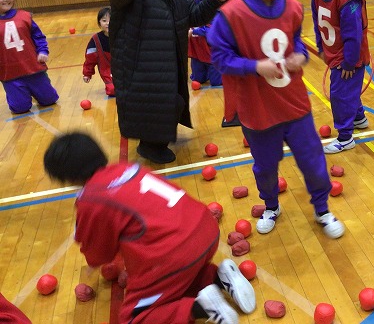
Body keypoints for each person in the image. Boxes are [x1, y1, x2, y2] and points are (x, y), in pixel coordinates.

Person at [208, 0, 345, 239]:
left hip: (295, 106)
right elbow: (220, 59)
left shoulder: (293, 8)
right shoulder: (231, 15)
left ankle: (322, 208)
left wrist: (300, 54)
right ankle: (271, 205)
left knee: (313, 160)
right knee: (266, 167)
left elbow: (295, 39)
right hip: (258, 112)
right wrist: (255, 67)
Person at [43, 132, 255, 324]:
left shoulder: (90, 198)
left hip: (174, 254)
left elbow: (99, 252)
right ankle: (218, 277)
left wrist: (94, 261)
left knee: (133, 318)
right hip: (206, 230)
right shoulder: (129, 168)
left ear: (68, 178)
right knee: (178, 281)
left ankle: (200, 308)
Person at [104, 0, 233, 164]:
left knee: (173, 101)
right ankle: (150, 146)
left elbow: (191, 15)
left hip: (167, 64)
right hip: (139, 66)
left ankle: (155, 140)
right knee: (156, 104)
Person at [310, 0, 369, 154]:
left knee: (339, 94)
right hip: (333, 53)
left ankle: (345, 137)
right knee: (346, 90)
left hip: (348, 58)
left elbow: (354, 34)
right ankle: (359, 117)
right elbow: (316, 19)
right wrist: (321, 47)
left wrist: (349, 62)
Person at [0, 0, 59, 114]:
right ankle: (19, 94)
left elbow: (38, 36)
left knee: (50, 100)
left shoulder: (24, 16)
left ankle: (35, 91)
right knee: (20, 108)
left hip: (33, 68)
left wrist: (42, 50)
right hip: (10, 74)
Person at [184, 0, 222, 87]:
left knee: (216, 82)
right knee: (198, 80)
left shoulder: (210, 5)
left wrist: (194, 31)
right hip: (196, 53)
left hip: (211, 53)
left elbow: (213, 30)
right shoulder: (184, 4)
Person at [82, 6, 114, 96]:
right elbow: (90, 59)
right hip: (107, 70)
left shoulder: (123, 35)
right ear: (99, 23)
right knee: (113, 90)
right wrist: (87, 73)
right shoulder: (95, 40)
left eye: (111, 20)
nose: (108, 23)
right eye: (104, 21)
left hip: (125, 68)